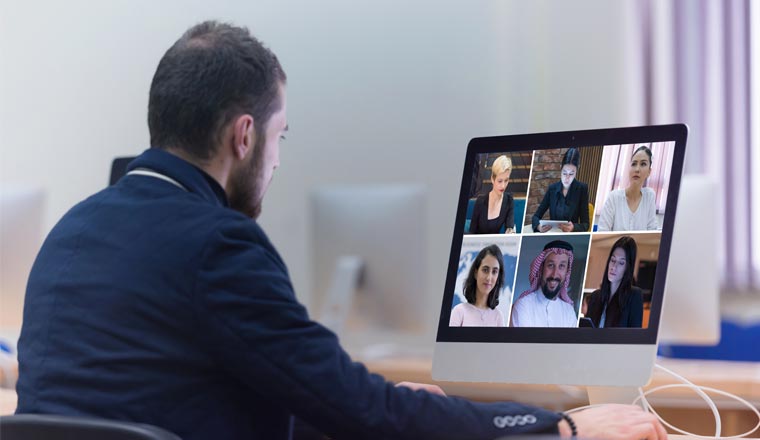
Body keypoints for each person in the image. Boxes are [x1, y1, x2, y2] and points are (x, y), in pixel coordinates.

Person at [15, 21, 667, 440]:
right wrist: (563, 430)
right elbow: (366, 414)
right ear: (244, 136)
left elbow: (177, 402)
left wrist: (368, 402)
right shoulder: (216, 245)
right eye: (278, 139)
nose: (274, 162)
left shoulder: (72, 230)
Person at [510, 240, 579, 327]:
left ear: (567, 272)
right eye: (550, 265)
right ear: (541, 268)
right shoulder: (524, 305)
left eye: (561, 266)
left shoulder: (569, 312)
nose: (554, 274)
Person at [586, 236, 644, 328]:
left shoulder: (634, 296)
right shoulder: (595, 297)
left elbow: (634, 338)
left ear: (627, 268)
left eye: (621, 263)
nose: (614, 267)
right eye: (613, 260)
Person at [597, 145, 659, 231]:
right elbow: (602, 233)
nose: (637, 169)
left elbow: (652, 233)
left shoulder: (649, 196)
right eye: (634, 164)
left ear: (649, 172)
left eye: (643, 164)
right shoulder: (613, 197)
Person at [531, 148, 590, 233]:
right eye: (564, 173)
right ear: (560, 168)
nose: (567, 178)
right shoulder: (552, 189)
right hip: (553, 234)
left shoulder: (582, 189)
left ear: (577, 171)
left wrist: (574, 227)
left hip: (571, 236)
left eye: (571, 174)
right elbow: (536, 216)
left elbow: (585, 224)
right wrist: (538, 227)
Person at [450, 245, 505, 327]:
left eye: (494, 272)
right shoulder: (459, 312)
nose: (489, 278)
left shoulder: (498, 317)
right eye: (485, 270)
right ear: (476, 273)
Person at [469, 155, 516, 234]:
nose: (503, 186)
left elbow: (509, 225)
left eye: (506, 180)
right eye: (500, 181)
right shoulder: (480, 201)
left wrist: (510, 231)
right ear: (492, 179)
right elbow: (472, 231)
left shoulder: (509, 200)